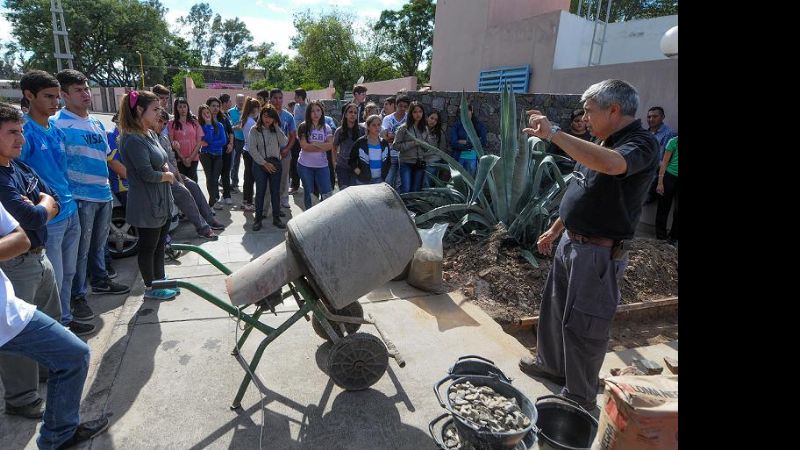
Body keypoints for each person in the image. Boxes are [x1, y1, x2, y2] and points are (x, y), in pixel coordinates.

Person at [519, 79, 659, 411]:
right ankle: (551, 365)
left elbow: (611, 166)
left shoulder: (641, 143)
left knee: (585, 326)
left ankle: (579, 397)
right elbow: (579, 189)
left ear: (614, 110)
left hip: (598, 251)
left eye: (589, 111)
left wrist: (554, 134)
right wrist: (555, 230)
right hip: (571, 242)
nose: (584, 117)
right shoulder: (601, 140)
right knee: (554, 313)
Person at [0, 199, 108, 448]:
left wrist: (42, 206)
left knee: (73, 355)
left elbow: (21, 239)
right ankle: (57, 433)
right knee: (72, 356)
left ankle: (58, 433)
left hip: (8, 313)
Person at [0, 102, 61, 421]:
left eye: (21, 131)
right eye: (12, 132)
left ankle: (46, 373)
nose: (20, 139)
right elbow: (32, 215)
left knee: (49, 320)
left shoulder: (20, 168)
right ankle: (20, 398)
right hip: (14, 265)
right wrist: (41, 205)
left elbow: (55, 201)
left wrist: (41, 205)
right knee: (17, 332)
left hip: (40, 257)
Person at [54, 70, 129, 327]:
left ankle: (100, 282)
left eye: (86, 88)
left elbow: (108, 159)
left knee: (98, 246)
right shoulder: (58, 124)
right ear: (64, 95)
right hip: (79, 198)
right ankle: (77, 296)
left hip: (103, 194)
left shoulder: (97, 124)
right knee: (79, 252)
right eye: (78, 90)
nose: (86, 94)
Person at [18, 70, 91, 336]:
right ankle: (56, 331)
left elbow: (62, 172)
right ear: (29, 95)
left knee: (69, 274)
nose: (55, 102)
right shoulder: (23, 133)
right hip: (49, 220)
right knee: (54, 278)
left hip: (70, 210)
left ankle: (66, 321)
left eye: (57, 96)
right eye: (48, 97)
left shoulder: (55, 130)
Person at [117, 90, 178, 301]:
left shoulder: (149, 134)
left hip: (160, 201)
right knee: (148, 247)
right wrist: (167, 176)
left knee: (160, 245)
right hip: (146, 203)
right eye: (154, 109)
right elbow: (146, 173)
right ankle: (151, 287)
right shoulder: (132, 139)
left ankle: (159, 279)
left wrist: (164, 171)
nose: (158, 113)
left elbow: (160, 159)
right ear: (140, 110)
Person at [153, 109, 224, 240]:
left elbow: (171, 159)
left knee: (193, 185)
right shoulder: (149, 138)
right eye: (159, 122)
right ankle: (202, 228)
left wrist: (178, 176)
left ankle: (209, 219)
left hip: (173, 173)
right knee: (184, 192)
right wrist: (176, 178)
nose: (161, 125)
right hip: (161, 177)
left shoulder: (162, 138)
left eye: (164, 123)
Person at [247, 104, 287, 231]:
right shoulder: (254, 130)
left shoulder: (276, 129)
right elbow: (252, 149)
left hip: (275, 163)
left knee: (275, 192)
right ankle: (257, 220)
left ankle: (276, 218)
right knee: (260, 192)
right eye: (265, 116)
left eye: (270, 117)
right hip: (260, 164)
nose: (267, 119)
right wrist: (264, 163)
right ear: (261, 116)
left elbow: (284, 142)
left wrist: (276, 127)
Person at [296, 100, 333, 209]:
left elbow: (330, 145)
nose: (316, 113)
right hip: (305, 166)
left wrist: (315, 144)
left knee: (327, 193)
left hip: (322, 166)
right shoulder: (303, 126)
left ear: (322, 112)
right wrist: (322, 145)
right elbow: (305, 147)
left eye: (318, 110)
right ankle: (309, 216)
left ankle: (326, 215)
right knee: (309, 193)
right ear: (308, 113)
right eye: (312, 111)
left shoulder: (327, 128)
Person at [267, 89, 296, 211]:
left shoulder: (288, 116)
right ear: (270, 99)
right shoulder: (265, 115)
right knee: (269, 180)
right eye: (275, 98)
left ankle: (283, 200)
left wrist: (287, 149)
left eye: (280, 98)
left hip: (284, 153)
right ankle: (267, 203)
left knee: (284, 178)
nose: (278, 100)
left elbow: (293, 135)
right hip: (268, 154)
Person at [393, 101, 429, 193]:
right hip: (406, 163)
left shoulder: (425, 129)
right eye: (415, 112)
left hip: (419, 163)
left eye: (420, 111)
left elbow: (427, 147)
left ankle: (413, 208)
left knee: (416, 190)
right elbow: (396, 146)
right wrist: (413, 143)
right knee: (406, 189)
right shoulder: (403, 128)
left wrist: (424, 145)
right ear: (410, 113)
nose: (418, 114)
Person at [197, 104, 228, 210]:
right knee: (210, 178)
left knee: (215, 178)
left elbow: (223, 141)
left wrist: (209, 144)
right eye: (204, 113)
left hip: (218, 155)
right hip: (206, 155)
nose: (207, 115)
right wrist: (208, 125)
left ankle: (212, 202)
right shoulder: (201, 127)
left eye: (208, 113)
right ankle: (212, 203)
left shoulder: (219, 125)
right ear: (201, 116)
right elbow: (207, 140)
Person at [644, 106, 676, 203]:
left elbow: (665, 160)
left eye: (655, 116)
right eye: (649, 117)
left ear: (662, 117)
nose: (651, 119)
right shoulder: (645, 133)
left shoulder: (669, 134)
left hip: (655, 175)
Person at [167, 97, 203, 182]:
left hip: (193, 158)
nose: (182, 109)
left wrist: (190, 158)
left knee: (192, 181)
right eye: (180, 107)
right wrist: (183, 158)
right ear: (176, 108)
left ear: (187, 107)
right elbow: (172, 142)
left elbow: (199, 142)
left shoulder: (195, 122)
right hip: (179, 159)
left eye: (184, 106)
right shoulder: (171, 123)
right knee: (183, 182)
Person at [207, 96, 234, 206]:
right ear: (208, 106)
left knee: (225, 173)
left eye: (217, 106)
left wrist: (231, 144)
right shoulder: (204, 118)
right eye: (213, 106)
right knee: (214, 175)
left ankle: (227, 195)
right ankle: (215, 197)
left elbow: (231, 132)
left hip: (225, 150)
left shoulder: (223, 117)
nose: (216, 108)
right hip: (211, 151)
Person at [547, 108, 592, 174]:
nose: (580, 123)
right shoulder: (562, 135)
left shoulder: (591, 137)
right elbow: (551, 153)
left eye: (583, 121)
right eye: (576, 121)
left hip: (582, 171)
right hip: (561, 169)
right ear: (571, 122)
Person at [349, 115, 390, 185]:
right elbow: (351, 160)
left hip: (380, 181)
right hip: (363, 181)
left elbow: (389, 161)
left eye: (379, 125)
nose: (377, 127)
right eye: (374, 125)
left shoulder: (384, 143)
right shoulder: (360, 143)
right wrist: (359, 172)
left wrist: (385, 175)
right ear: (368, 127)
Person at [449, 104, 487, 177]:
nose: (465, 113)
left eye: (467, 111)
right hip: (458, 157)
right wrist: (473, 143)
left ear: (471, 110)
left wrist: (463, 142)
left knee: (470, 182)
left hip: (472, 158)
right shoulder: (457, 125)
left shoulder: (478, 125)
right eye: (462, 112)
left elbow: (483, 142)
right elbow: (453, 143)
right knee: (458, 182)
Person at [333, 103, 365, 190]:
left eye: (355, 112)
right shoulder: (339, 131)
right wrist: (334, 163)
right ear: (346, 114)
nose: (353, 114)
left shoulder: (362, 130)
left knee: (355, 192)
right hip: (342, 166)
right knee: (344, 192)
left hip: (357, 167)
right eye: (350, 112)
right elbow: (334, 147)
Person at [381, 95, 409, 189]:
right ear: (396, 105)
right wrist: (400, 139)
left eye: (405, 107)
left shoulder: (409, 119)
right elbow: (385, 137)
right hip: (390, 155)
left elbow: (409, 138)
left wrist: (394, 137)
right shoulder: (387, 119)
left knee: (399, 183)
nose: (402, 108)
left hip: (404, 156)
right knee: (387, 181)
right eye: (400, 106)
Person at [655, 136, 678, 244]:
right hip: (669, 177)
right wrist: (660, 182)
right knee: (663, 207)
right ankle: (660, 237)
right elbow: (664, 162)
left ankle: (673, 237)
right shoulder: (673, 141)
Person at [289, 88, 307, 194]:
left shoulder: (308, 108)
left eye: (295, 96)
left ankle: (307, 184)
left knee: (305, 162)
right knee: (294, 161)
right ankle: (294, 185)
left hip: (305, 138)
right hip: (295, 138)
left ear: (300, 97)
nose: (294, 98)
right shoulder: (296, 106)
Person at [228, 94, 246, 191]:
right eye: (239, 99)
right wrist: (236, 127)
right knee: (235, 161)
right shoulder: (230, 112)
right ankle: (234, 182)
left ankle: (247, 183)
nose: (241, 101)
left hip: (247, 140)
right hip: (236, 139)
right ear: (235, 100)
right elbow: (229, 126)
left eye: (242, 99)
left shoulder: (248, 111)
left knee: (248, 163)